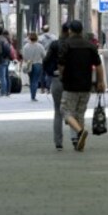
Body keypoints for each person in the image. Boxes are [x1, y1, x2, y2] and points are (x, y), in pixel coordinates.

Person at [58, 20, 105, 152]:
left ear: (71, 31)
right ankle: (79, 143)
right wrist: (101, 82)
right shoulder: (90, 46)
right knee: (79, 113)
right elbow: (98, 65)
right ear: (81, 30)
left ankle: (80, 132)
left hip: (70, 84)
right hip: (86, 85)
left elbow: (61, 65)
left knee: (65, 111)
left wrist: (62, 75)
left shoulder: (66, 45)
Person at [43, 22, 74, 150]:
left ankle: (58, 142)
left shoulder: (54, 44)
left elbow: (46, 61)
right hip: (72, 81)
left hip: (56, 79)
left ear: (62, 31)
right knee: (72, 111)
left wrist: (50, 73)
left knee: (58, 112)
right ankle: (75, 138)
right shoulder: (75, 45)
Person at [22, 32, 46, 101]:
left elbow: (24, 57)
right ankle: (33, 96)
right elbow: (44, 55)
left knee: (31, 79)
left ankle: (32, 94)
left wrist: (27, 61)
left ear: (29, 38)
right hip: (38, 64)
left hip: (29, 64)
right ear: (36, 38)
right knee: (35, 80)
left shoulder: (26, 46)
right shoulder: (40, 46)